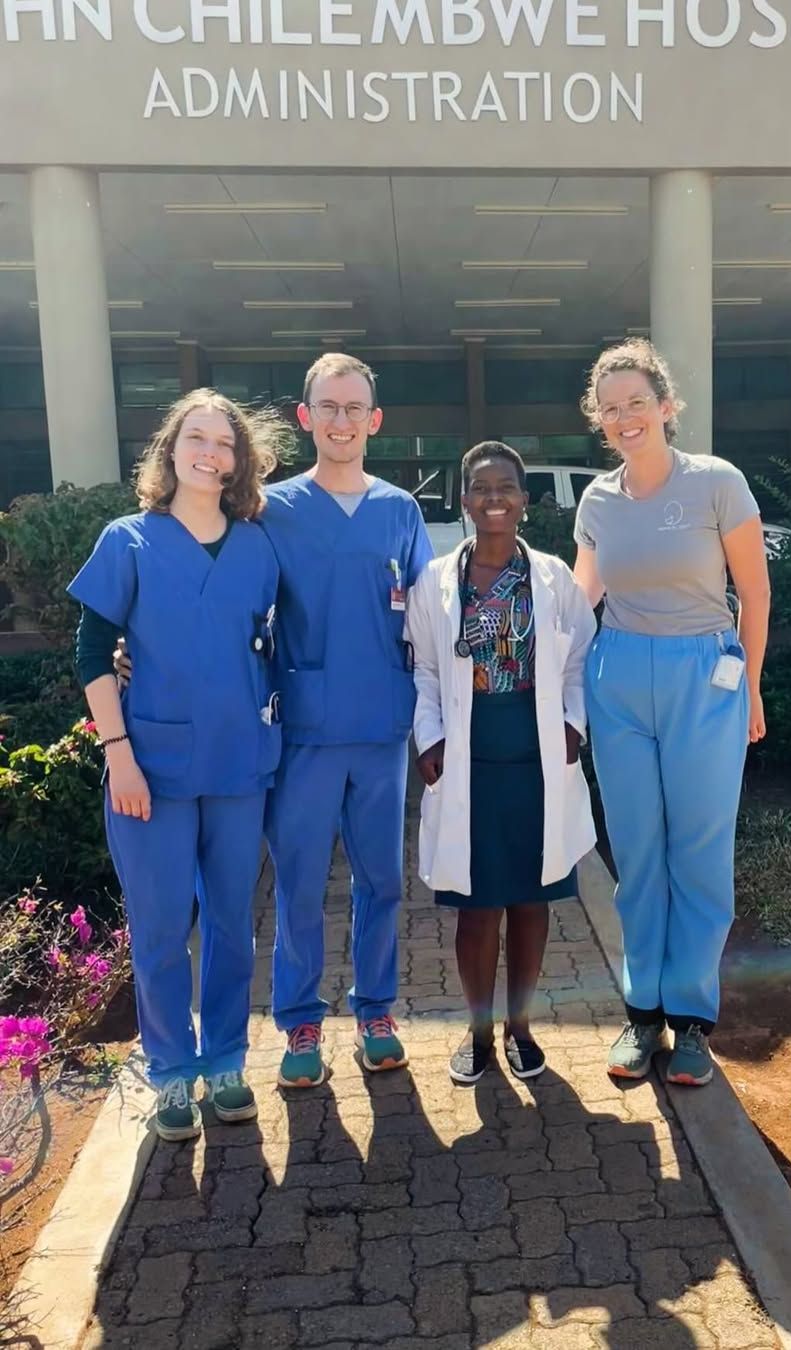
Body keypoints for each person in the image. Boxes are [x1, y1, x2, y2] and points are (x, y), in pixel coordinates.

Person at [69, 390, 285, 1140]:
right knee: (160, 927)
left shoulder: (257, 546)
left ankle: (224, 1060)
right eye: (196, 438)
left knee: (231, 925)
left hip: (237, 764)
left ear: (239, 460)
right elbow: (93, 654)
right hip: (149, 769)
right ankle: (168, 1071)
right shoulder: (128, 540)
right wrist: (118, 754)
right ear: (171, 448)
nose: (209, 453)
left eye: (224, 443)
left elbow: (270, 644)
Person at [573, 340, 771, 1088]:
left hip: (704, 677)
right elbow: (583, 598)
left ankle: (690, 1020)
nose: (624, 417)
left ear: (665, 407)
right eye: (610, 408)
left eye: (636, 402)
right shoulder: (598, 500)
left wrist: (752, 687)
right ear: (599, 419)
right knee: (636, 851)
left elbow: (754, 592)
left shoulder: (717, 482)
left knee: (699, 849)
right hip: (618, 677)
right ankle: (642, 1013)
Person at [261, 353, 433, 1087]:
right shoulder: (272, 510)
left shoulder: (400, 511)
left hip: (380, 727)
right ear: (306, 417)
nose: (341, 420)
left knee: (381, 879)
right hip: (304, 730)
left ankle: (375, 1011)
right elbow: (238, 606)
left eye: (353, 407)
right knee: (300, 880)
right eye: (327, 407)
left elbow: (428, 617)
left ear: (374, 420)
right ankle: (300, 1019)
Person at [406, 442, 597, 1083]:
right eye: (482, 488)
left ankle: (520, 1028)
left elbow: (578, 659)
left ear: (524, 499)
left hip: (538, 755)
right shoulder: (436, 581)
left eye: (506, 487)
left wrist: (572, 725)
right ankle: (479, 1032)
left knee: (532, 898)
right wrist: (429, 738)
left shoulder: (553, 578)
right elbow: (425, 669)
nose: (495, 498)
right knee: (478, 903)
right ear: (466, 500)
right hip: (468, 755)